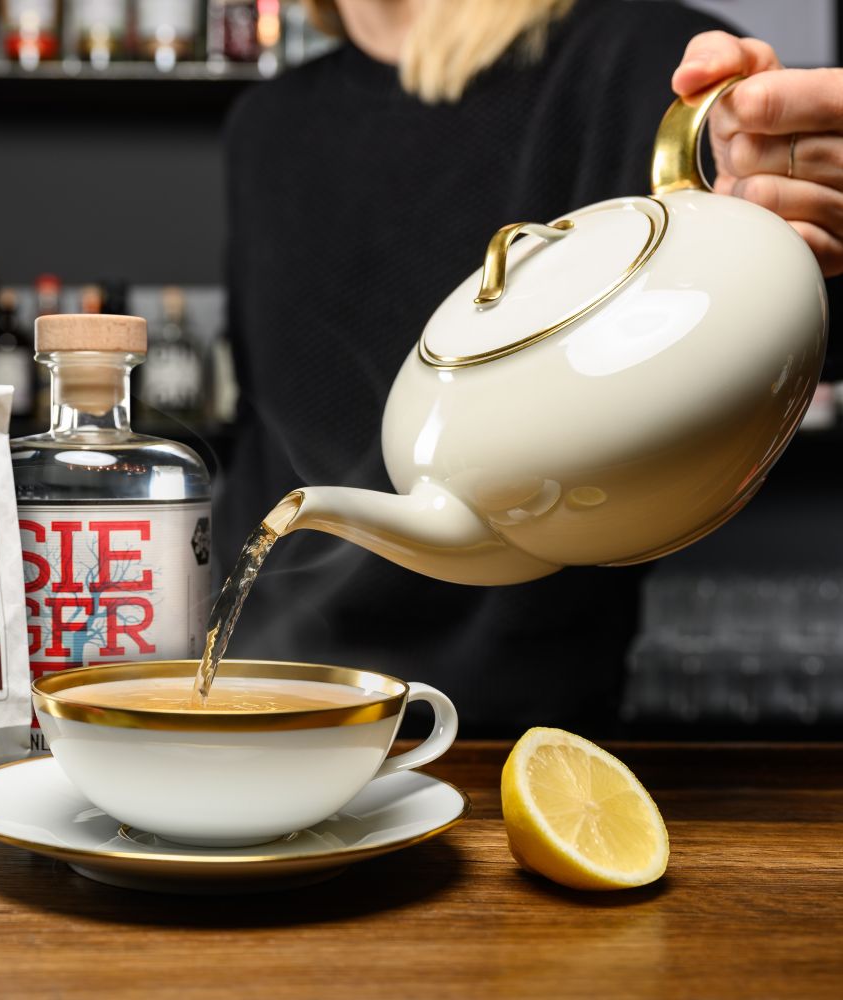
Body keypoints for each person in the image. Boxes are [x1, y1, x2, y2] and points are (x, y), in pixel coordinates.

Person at [216, 0, 843, 736]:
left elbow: (798, 347)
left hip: (520, 741)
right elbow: (259, 435)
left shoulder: (642, 62)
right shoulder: (265, 125)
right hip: (256, 705)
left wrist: (795, 218)